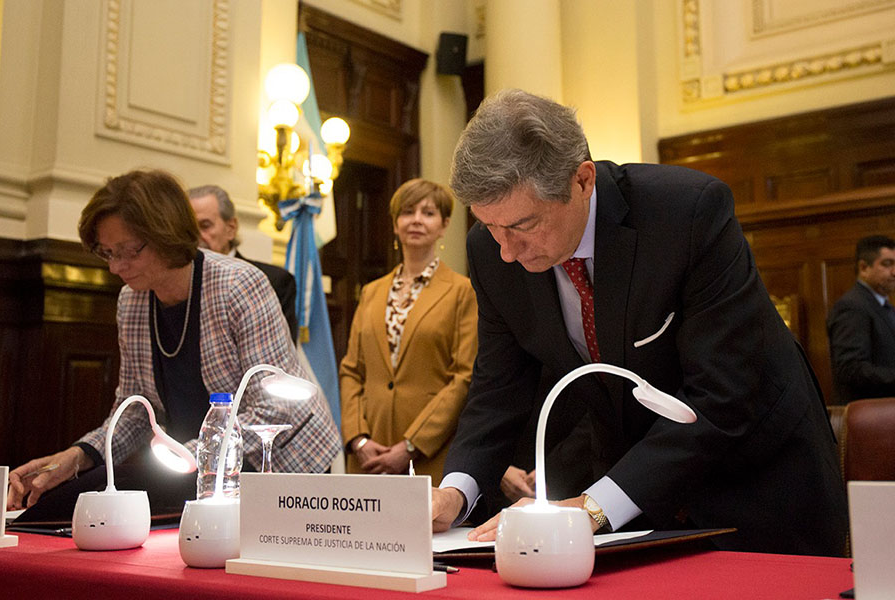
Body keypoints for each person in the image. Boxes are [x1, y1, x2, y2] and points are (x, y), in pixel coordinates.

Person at [431, 89, 847, 556]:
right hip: (634, 501)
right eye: (491, 226)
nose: (506, 250)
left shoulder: (687, 215)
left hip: (758, 484)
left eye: (523, 226)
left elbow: (723, 393)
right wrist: (456, 491)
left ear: (582, 181)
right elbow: (498, 387)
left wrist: (593, 507)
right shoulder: (490, 255)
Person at [7, 170, 340, 512]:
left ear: (165, 235)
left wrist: (194, 453)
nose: (116, 267)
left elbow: (274, 409)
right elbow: (135, 412)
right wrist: (76, 456)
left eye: (128, 251)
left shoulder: (238, 285)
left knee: (101, 499)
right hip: (197, 463)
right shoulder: (132, 302)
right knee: (70, 498)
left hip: (279, 462)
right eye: (107, 253)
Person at [339, 179, 477, 485]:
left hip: (429, 454)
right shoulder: (372, 292)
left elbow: (463, 377)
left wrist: (412, 445)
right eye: (407, 212)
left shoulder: (462, 292)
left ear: (444, 226)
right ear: (395, 224)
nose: (416, 219)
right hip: (368, 456)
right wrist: (358, 439)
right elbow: (351, 370)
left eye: (428, 213)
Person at [188, 184, 299, 341]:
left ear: (231, 228)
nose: (196, 236)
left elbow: (278, 358)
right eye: (189, 229)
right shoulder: (179, 285)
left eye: (205, 226)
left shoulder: (273, 280)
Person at [827, 235, 895, 403]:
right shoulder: (852, 306)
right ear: (864, 267)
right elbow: (850, 369)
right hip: (868, 416)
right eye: (887, 264)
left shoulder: (883, 305)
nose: (894, 272)